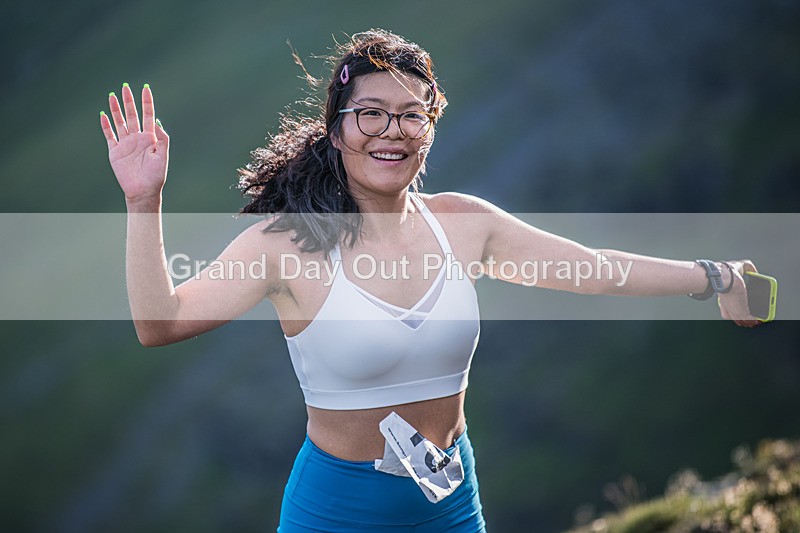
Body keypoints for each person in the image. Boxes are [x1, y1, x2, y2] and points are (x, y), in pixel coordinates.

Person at [99, 29, 761, 532]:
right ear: (336, 129)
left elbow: (597, 271)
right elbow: (161, 322)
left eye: (412, 113)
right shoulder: (286, 246)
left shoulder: (464, 226)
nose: (393, 131)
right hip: (336, 510)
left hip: (451, 501)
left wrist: (714, 277)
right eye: (371, 113)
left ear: (431, 127)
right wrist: (142, 201)